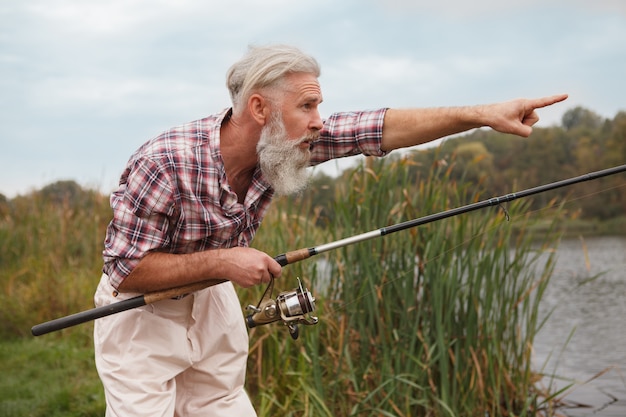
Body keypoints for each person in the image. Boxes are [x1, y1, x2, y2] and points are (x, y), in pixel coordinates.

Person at [93, 44, 568, 416]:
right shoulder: (164, 162)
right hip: (141, 313)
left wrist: (480, 116)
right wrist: (223, 259)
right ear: (260, 108)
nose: (320, 122)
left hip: (213, 298)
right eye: (308, 106)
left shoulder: (289, 142)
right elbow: (126, 269)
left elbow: (378, 128)